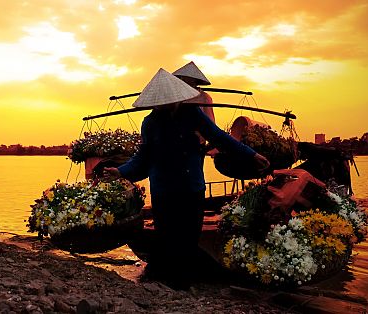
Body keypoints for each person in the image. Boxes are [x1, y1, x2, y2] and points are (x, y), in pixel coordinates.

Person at [103, 68, 269, 290]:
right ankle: (169, 282)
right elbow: (143, 159)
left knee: (189, 237)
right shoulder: (150, 123)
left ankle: (184, 282)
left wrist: (252, 154)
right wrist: (121, 171)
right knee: (167, 237)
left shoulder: (192, 115)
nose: (163, 106)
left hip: (191, 187)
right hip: (163, 188)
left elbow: (219, 137)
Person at [173, 61, 217, 157]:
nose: (183, 81)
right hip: (175, 141)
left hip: (197, 142)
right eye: (182, 79)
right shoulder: (176, 97)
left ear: (194, 81)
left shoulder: (205, 97)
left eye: (187, 79)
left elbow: (210, 122)